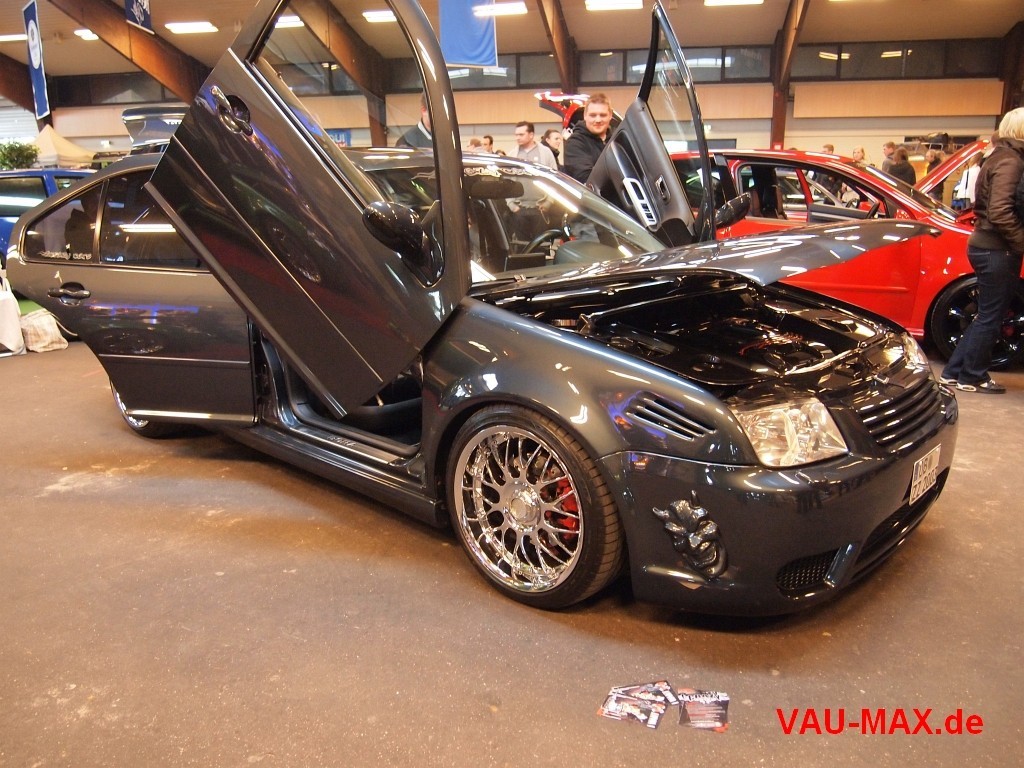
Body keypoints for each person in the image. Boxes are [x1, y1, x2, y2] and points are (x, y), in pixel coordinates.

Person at [940, 107, 1024, 394]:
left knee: (986, 314)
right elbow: (1000, 211)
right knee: (991, 316)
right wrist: (1021, 241)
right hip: (997, 248)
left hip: (987, 245)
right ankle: (971, 376)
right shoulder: (1011, 161)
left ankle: (954, 372)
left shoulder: (999, 156)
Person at [563, 93, 613, 184]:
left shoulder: (617, 140)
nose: (598, 120)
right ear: (585, 115)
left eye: (603, 115)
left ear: (610, 115)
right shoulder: (574, 143)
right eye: (593, 115)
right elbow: (587, 179)